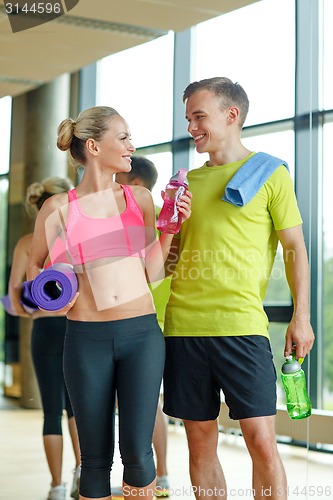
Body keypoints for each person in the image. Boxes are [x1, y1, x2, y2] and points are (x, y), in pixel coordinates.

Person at [26, 106, 191, 500]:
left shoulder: (140, 199)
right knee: (95, 458)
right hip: (85, 340)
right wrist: (53, 299)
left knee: (137, 451)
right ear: (95, 146)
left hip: (141, 336)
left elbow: (152, 272)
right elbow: (34, 268)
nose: (132, 146)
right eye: (124, 137)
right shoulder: (58, 209)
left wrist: (169, 230)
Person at [162, 77, 315, 500]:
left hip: (242, 327)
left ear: (231, 116)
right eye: (188, 117)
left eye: (199, 116)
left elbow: (295, 248)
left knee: (261, 440)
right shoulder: (184, 184)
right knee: (199, 440)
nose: (191, 126)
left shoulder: (271, 174)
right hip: (184, 328)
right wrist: (170, 226)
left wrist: (301, 317)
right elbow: (170, 264)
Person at [8, 177, 81, 500]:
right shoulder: (77, 239)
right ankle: (82, 474)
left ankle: (56, 487)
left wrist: (32, 312)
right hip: (76, 328)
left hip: (44, 331)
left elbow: (13, 298)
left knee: (51, 410)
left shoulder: (26, 242)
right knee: (78, 409)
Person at [116, 156, 171, 496]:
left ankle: (156, 475)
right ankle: (159, 475)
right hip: (159, 319)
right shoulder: (163, 217)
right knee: (150, 404)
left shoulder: (138, 217)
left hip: (146, 321)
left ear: (134, 186)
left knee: (144, 406)